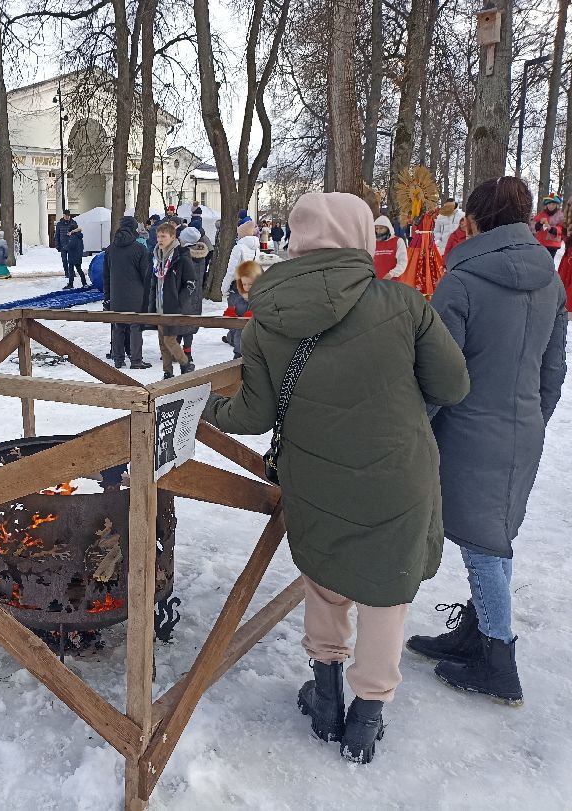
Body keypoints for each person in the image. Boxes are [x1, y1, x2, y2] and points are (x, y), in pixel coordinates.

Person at [202, 192, 469, 764]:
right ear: (362, 239)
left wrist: (199, 409)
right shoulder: (404, 303)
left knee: (325, 579)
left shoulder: (267, 318)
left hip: (314, 475)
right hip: (399, 477)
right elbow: (453, 386)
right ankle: (367, 717)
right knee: (385, 593)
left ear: (295, 242)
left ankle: (325, 698)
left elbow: (251, 414)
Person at [407, 176, 567, 706]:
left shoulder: (462, 281)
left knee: (482, 545)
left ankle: (499, 660)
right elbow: (553, 370)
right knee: (494, 536)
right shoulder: (552, 281)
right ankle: (477, 633)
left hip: (469, 429)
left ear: (472, 222)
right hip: (521, 430)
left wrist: (415, 427)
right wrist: (533, 419)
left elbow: (439, 372)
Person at [103, 216, 152, 371]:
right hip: (136, 296)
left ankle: (118, 359)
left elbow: (106, 275)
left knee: (118, 327)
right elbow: (146, 275)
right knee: (135, 327)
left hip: (116, 296)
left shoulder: (110, 249)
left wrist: (108, 297)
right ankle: (136, 360)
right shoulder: (140, 249)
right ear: (133, 229)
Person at [150, 222, 198, 379]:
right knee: (162, 343)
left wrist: (180, 301)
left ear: (173, 237)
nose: (160, 240)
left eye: (163, 236)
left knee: (170, 340)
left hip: (173, 307)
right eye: (158, 236)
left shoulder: (181, 257)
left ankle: (185, 364)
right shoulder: (157, 257)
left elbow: (191, 283)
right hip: (159, 305)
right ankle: (167, 371)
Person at [176, 226, 204, 366]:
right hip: (196, 295)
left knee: (179, 322)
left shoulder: (183, 256)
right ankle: (187, 352)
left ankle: (176, 352)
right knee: (189, 325)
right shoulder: (201, 254)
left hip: (184, 293)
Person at [224, 259, 261, 358]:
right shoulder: (239, 299)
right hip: (239, 346)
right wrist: (230, 313)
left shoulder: (261, 298)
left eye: (250, 284)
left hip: (255, 346)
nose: (247, 287)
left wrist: (254, 315)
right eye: (244, 284)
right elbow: (233, 323)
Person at [221, 219, 260, 297]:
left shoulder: (238, 248)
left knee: (237, 308)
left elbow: (231, 271)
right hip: (250, 285)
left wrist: (224, 289)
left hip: (237, 286)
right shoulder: (256, 249)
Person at [372, 215, 408, 280]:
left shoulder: (398, 241)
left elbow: (402, 262)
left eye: (381, 228)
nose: (378, 231)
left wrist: (392, 274)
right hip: (376, 282)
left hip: (393, 281)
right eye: (376, 228)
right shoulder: (373, 242)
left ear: (388, 228)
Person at [55, 209, 77, 277]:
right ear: (63, 215)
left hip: (71, 245)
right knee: (64, 260)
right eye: (66, 215)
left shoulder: (73, 223)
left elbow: (77, 234)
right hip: (63, 245)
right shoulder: (59, 224)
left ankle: (72, 273)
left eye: (68, 215)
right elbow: (57, 235)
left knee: (71, 260)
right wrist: (57, 245)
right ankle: (67, 273)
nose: (67, 217)